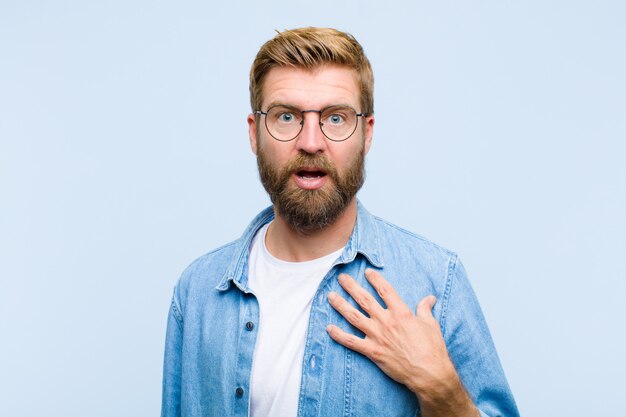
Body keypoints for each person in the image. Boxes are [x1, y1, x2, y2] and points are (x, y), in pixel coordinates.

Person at [161, 27, 519, 417]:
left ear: (366, 134)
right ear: (254, 133)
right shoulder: (197, 292)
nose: (311, 141)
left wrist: (443, 390)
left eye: (335, 118)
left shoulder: (434, 281)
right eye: (285, 116)